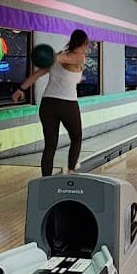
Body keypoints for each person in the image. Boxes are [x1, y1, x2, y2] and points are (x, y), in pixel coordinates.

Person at [12, 30, 89, 176]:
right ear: (84, 43)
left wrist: (21, 89)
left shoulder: (58, 56)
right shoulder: (79, 57)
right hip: (67, 104)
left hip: (47, 104)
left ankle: (45, 179)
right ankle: (71, 170)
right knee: (76, 137)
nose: (88, 47)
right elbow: (65, 59)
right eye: (87, 44)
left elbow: (37, 74)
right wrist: (52, 57)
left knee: (50, 145)